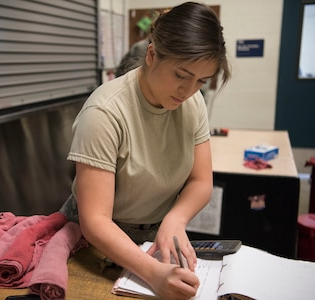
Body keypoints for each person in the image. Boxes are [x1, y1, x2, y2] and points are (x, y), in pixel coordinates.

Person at [60, 2, 230, 299]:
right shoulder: (105, 111)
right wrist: (153, 273)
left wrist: (175, 220)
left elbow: (201, 182)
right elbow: (95, 220)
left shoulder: (193, 103)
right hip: (93, 243)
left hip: (153, 235)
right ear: (151, 55)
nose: (189, 90)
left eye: (201, 81)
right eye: (181, 75)